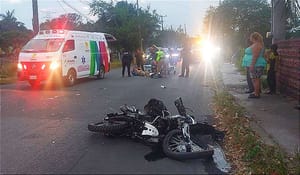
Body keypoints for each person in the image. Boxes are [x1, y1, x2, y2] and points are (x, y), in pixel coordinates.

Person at [247, 32, 267, 98]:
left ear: (253, 38)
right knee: (256, 79)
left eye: (251, 37)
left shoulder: (256, 45)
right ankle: (256, 92)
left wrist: (252, 65)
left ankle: (256, 94)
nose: (250, 39)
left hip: (256, 64)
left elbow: (255, 56)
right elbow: (264, 55)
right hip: (258, 63)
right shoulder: (260, 44)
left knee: (255, 79)